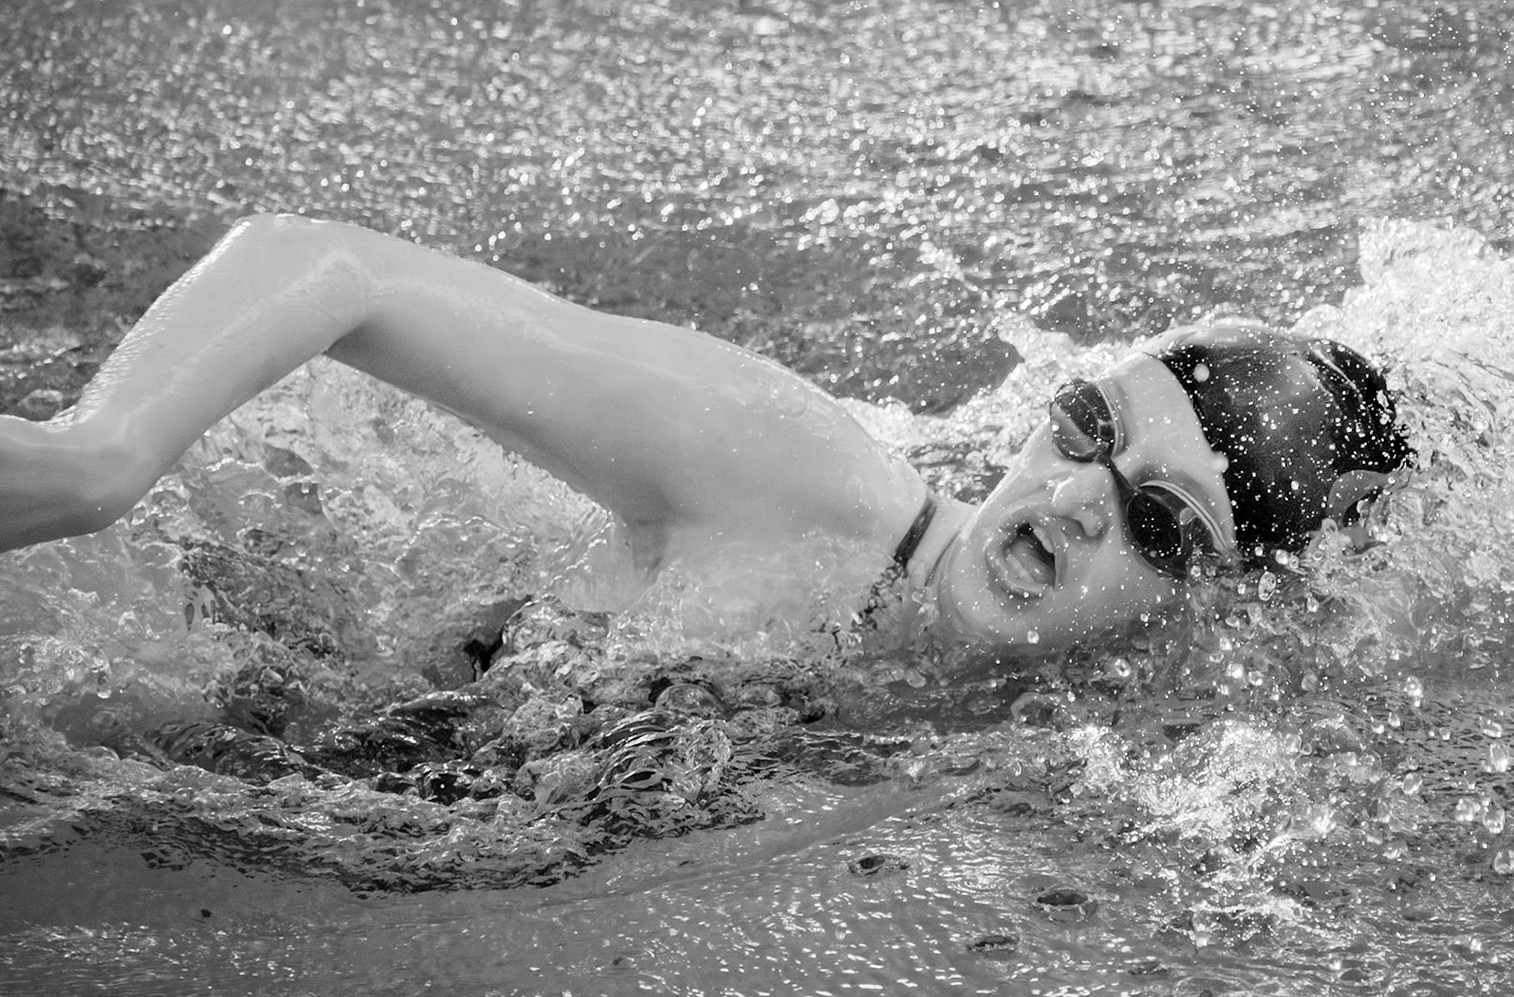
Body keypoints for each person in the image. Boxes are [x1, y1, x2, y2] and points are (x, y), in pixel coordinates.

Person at [0, 215, 1411, 650]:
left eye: (1165, 526)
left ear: (1219, 613)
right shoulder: (784, 467)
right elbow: (333, 266)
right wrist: (100, 455)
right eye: (1087, 425)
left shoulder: (1109, 740)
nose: (1081, 499)